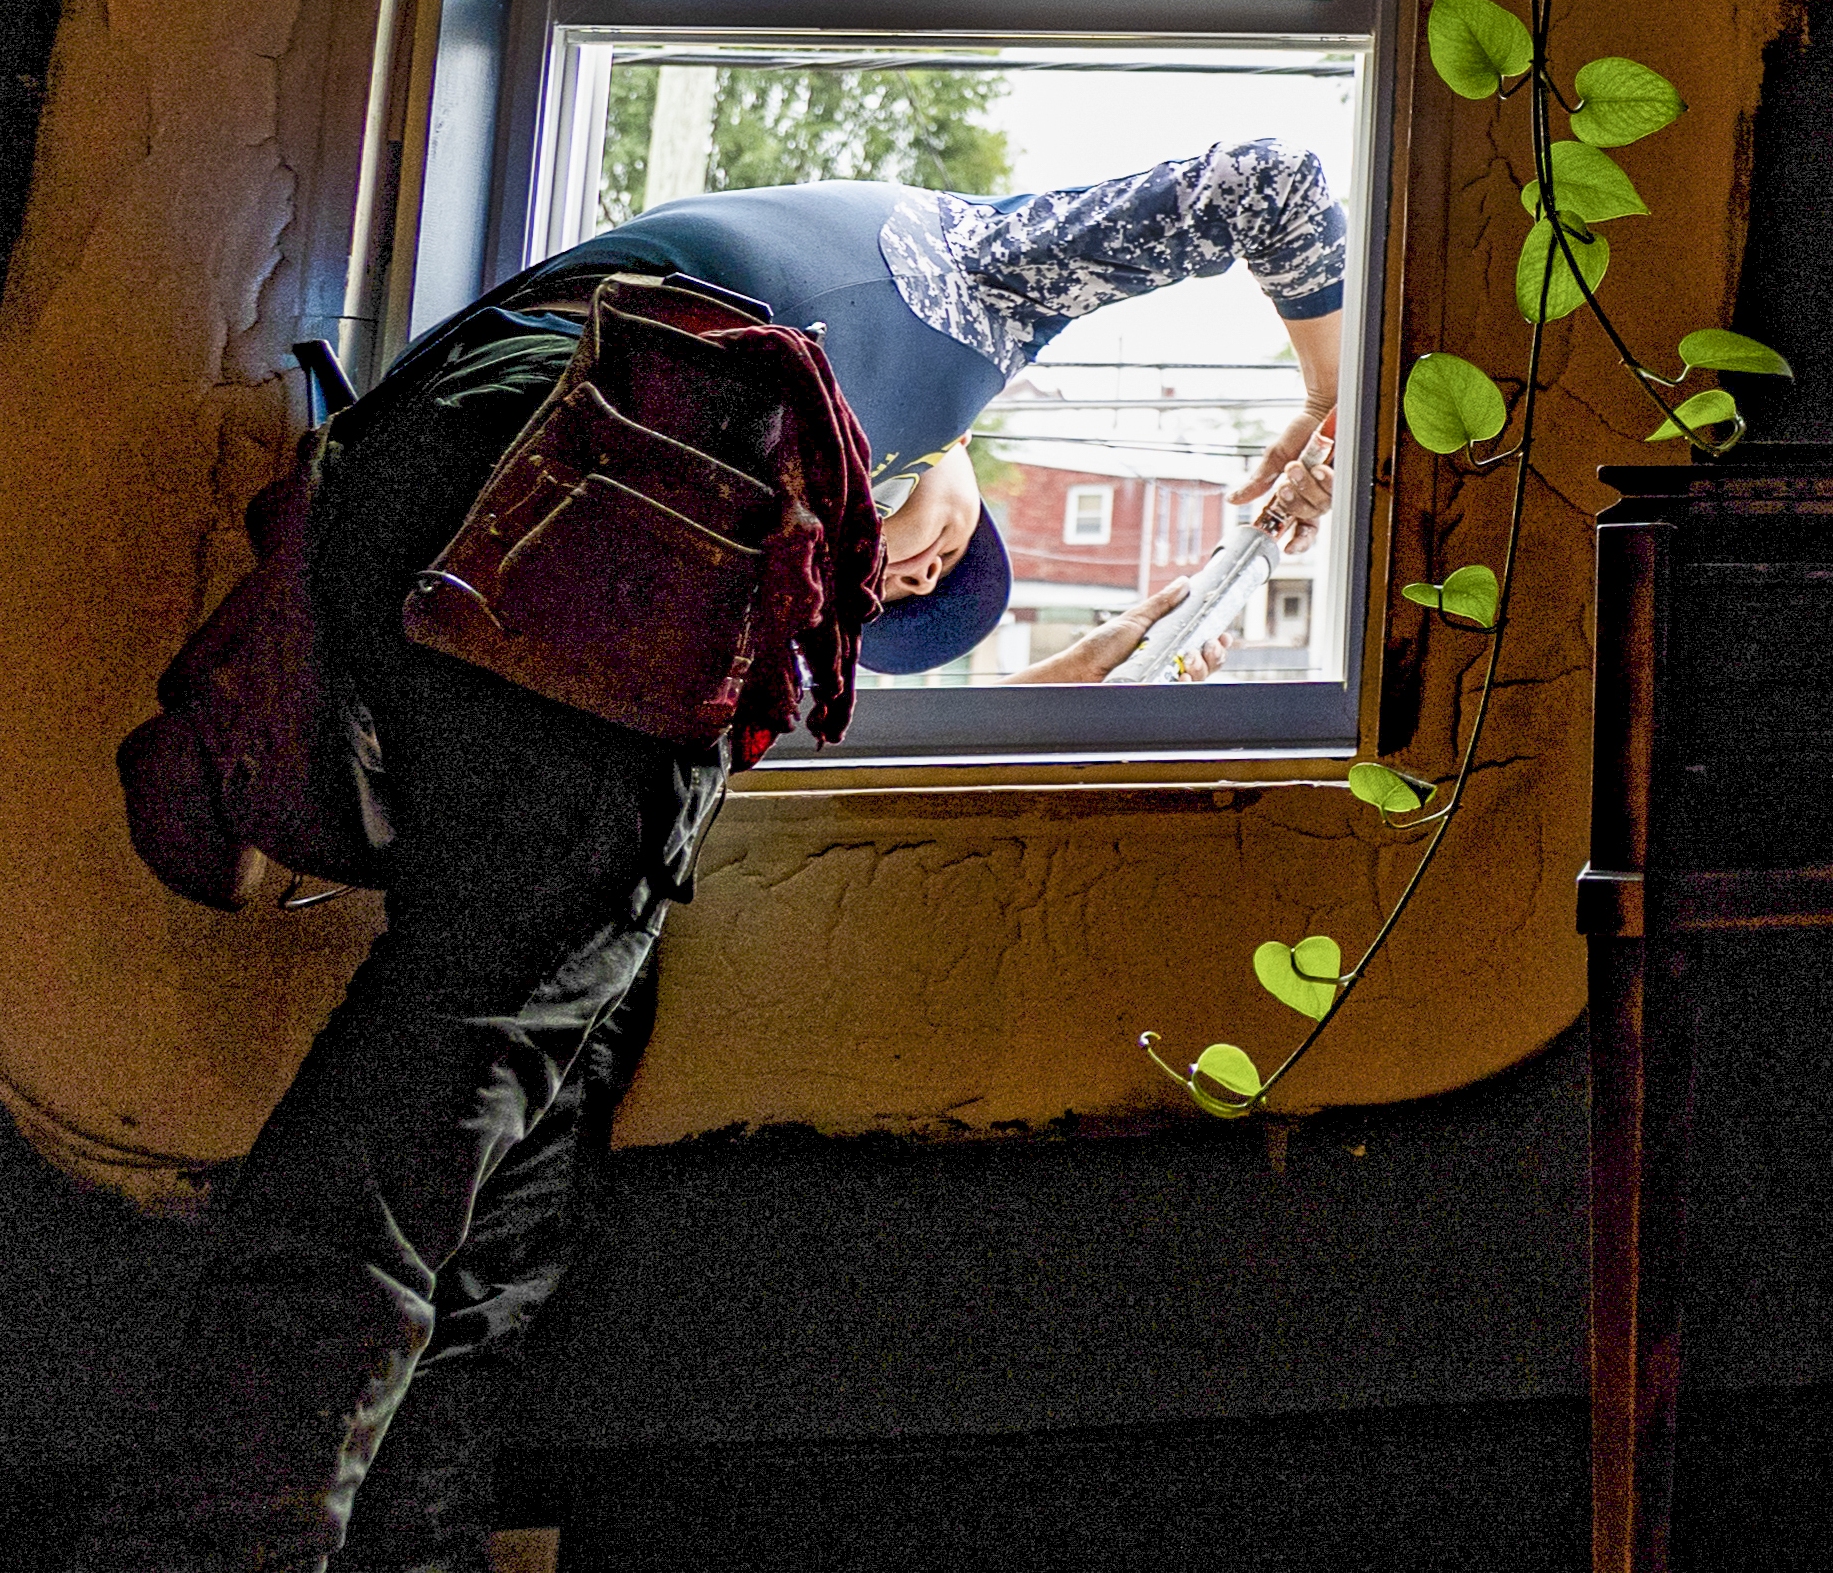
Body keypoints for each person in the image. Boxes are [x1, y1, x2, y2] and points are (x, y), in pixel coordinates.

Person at [78, 138, 1352, 1573]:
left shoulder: (752, 302)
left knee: (547, 1068)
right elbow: (1273, 186)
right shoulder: (962, 273)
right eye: (937, 563)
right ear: (959, 472)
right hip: (608, 515)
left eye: (899, 603)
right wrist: (1324, 414)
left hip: (435, 507)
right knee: (466, 1062)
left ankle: (402, 1533)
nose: (915, 579)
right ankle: (221, 1541)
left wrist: (1146, 633)